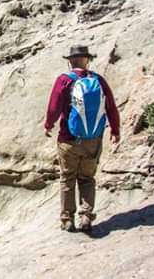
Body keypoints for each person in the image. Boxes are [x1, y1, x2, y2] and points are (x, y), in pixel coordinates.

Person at [44, 45, 121, 233]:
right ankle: (86, 216)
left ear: (70, 61)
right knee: (87, 178)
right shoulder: (98, 80)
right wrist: (115, 130)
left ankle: (67, 219)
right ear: (87, 60)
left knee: (67, 178)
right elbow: (110, 106)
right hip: (92, 139)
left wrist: (48, 124)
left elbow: (54, 107)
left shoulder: (64, 80)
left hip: (68, 139)